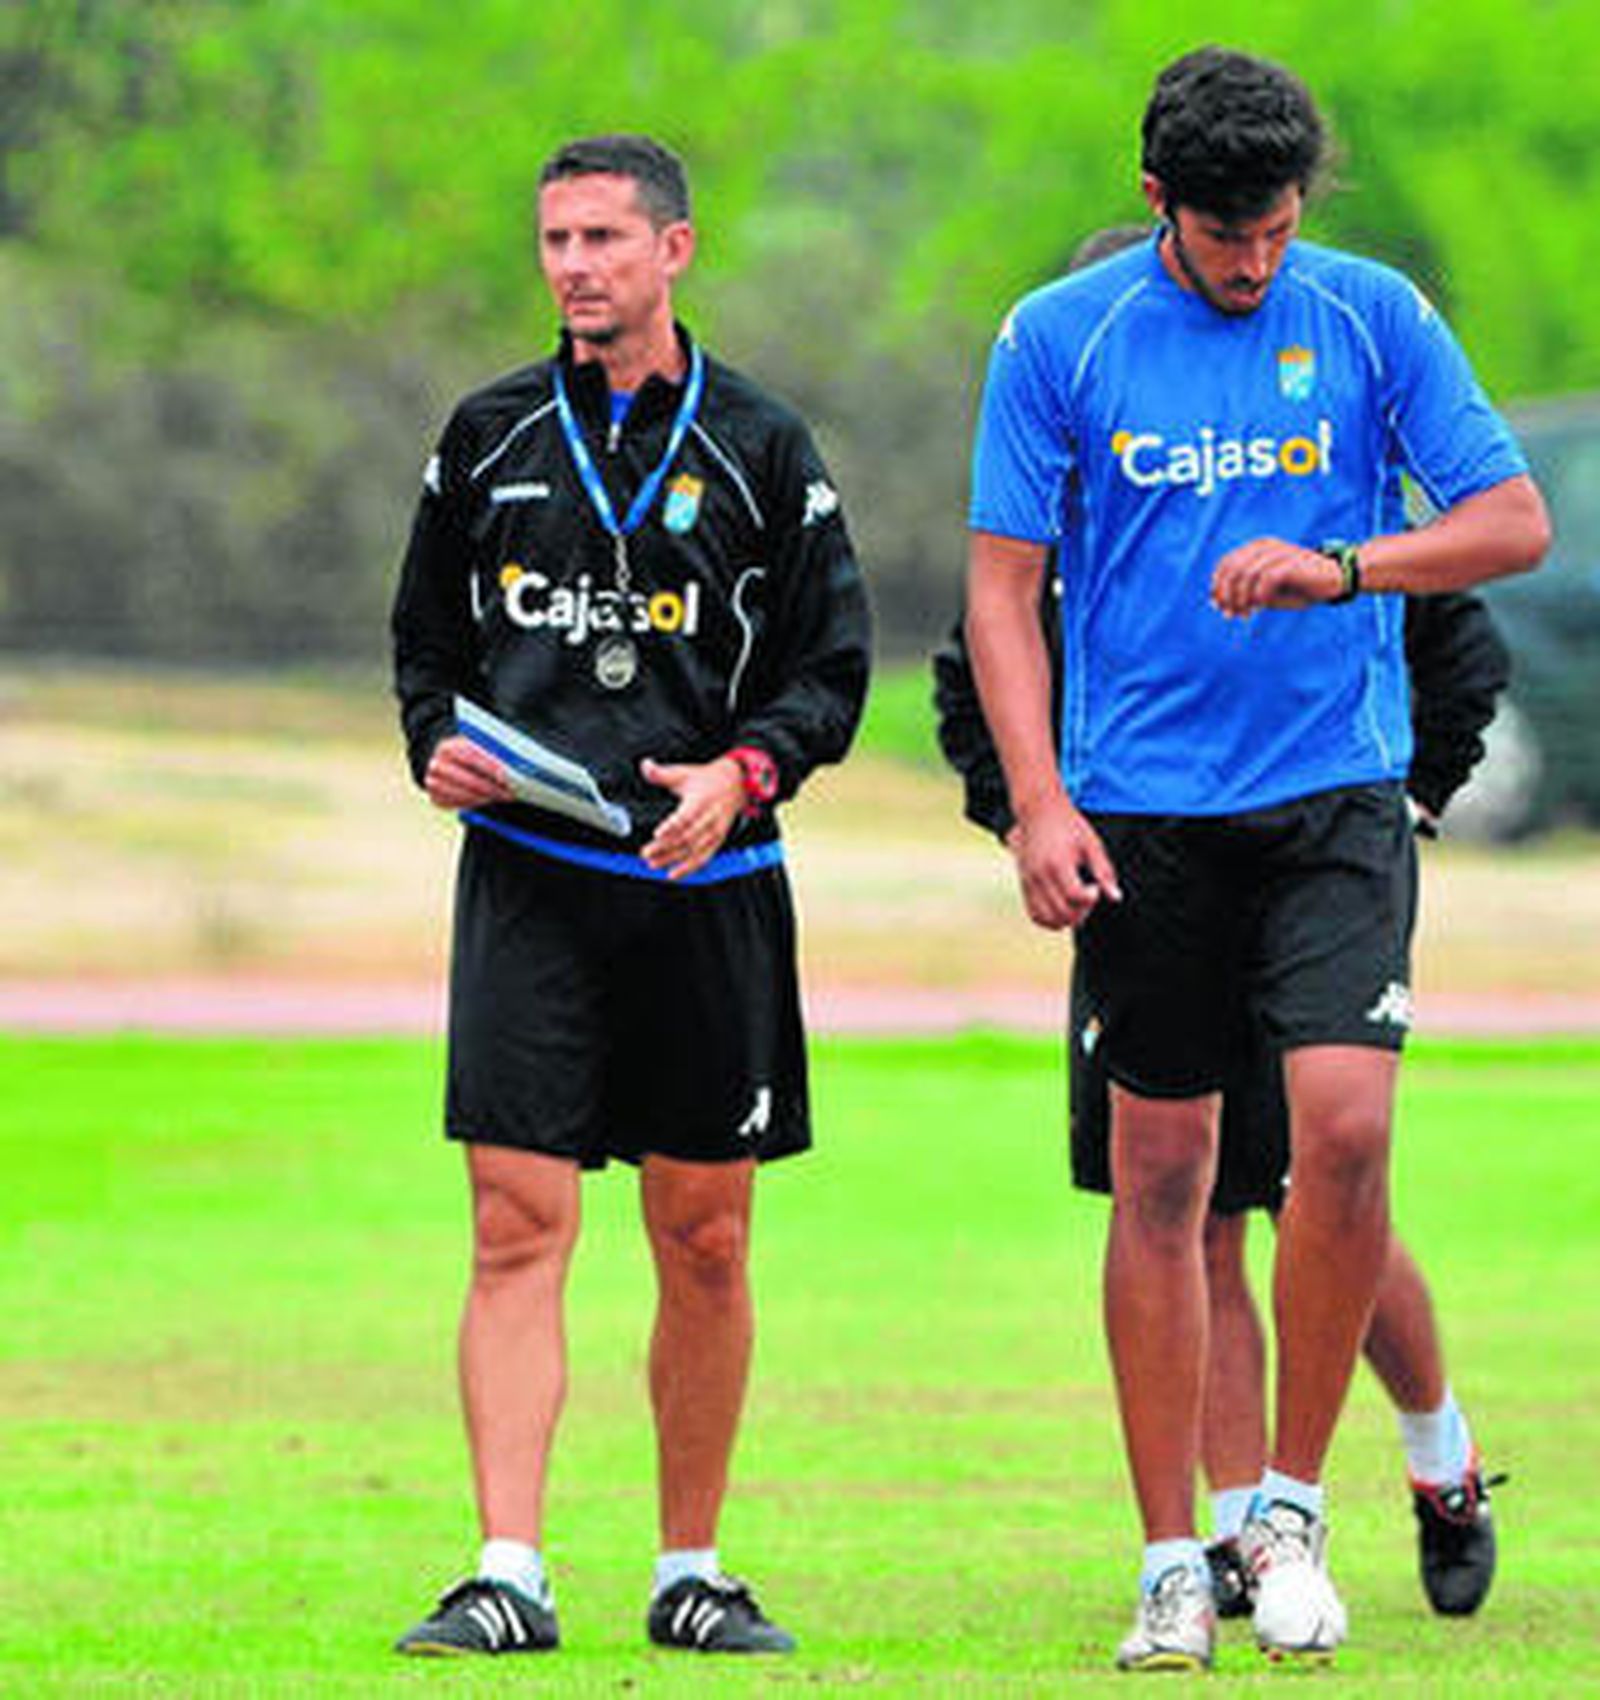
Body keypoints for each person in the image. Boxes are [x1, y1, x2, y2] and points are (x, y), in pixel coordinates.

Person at [965, 47, 1548, 1671]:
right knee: (1167, 1181)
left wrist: (1346, 565)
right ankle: (1173, 1556)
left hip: (1334, 796)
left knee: (1346, 1135)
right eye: (1228, 236)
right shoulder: (1057, 337)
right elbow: (1001, 595)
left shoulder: (1369, 315)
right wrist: (1037, 802)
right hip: (1143, 813)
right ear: (1159, 202)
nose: (1255, 261)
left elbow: (1511, 524)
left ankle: (1291, 1510)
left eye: (1278, 230)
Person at [389, 133, 870, 1659]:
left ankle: (691, 1569)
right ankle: (507, 1571)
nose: (575, 266)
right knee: (513, 1225)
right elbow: (424, 657)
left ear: (675, 250)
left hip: (707, 887)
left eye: (603, 238)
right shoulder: (486, 436)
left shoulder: (763, 445)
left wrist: (747, 770)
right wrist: (433, 752)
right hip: (531, 882)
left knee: (705, 1238)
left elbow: (831, 671)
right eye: (554, 240)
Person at [934, 558, 1512, 1627]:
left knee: (1322, 1194)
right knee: (1194, 1210)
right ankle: (1244, 1530)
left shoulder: (1315, 482)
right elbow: (972, 669)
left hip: (1307, 879)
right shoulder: (1070, 517)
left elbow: (1461, 648)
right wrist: (1027, 817)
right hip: (1148, 876)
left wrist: (1410, 796)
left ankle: (1440, 1453)